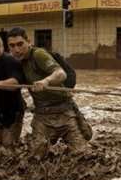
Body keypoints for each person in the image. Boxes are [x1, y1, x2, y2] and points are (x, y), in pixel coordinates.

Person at [7, 27, 90, 159]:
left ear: (29, 42)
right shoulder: (14, 62)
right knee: (36, 157)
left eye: (20, 44)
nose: (16, 50)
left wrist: (46, 81)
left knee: (82, 155)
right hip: (42, 114)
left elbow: (61, 74)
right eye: (12, 46)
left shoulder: (38, 54)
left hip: (64, 111)